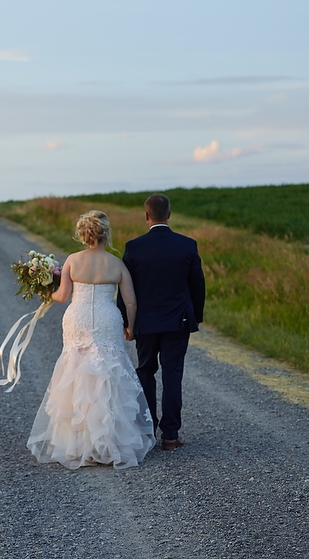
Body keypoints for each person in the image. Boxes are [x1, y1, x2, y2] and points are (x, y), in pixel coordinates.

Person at [27, 211, 155, 469]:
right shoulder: (117, 264)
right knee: (108, 374)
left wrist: (44, 292)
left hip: (78, 318)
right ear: (105, 234)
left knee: (77, 371)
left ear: (84, 235)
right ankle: (110, 440)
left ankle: (77, 442)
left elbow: (62, 296)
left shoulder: (73, 260)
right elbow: (130, 300)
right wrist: (130, 325)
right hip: (108, 319)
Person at [117, 193, 205, 451]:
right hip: (178, 321)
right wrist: (196, 316)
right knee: (173, 374)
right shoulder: (188, 245)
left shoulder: (134, 247)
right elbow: (197, 285)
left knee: (145, 371)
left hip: (145, 322)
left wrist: (126, 322)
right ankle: (170, 435)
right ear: (169, 214)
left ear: (146, 216)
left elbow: (126, 289)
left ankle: (146, 432)